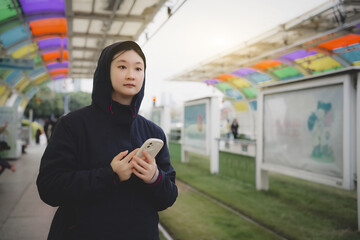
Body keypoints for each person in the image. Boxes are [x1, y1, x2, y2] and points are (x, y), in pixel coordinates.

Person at [36, 41, 178, 240]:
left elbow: (168, 197)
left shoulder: (153, 132)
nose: (131, 75)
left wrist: (155, 177)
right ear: (105, 71)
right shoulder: (73, 125)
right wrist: (110, 175)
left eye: (138, 68)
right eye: (122, 66)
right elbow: (49, 187)